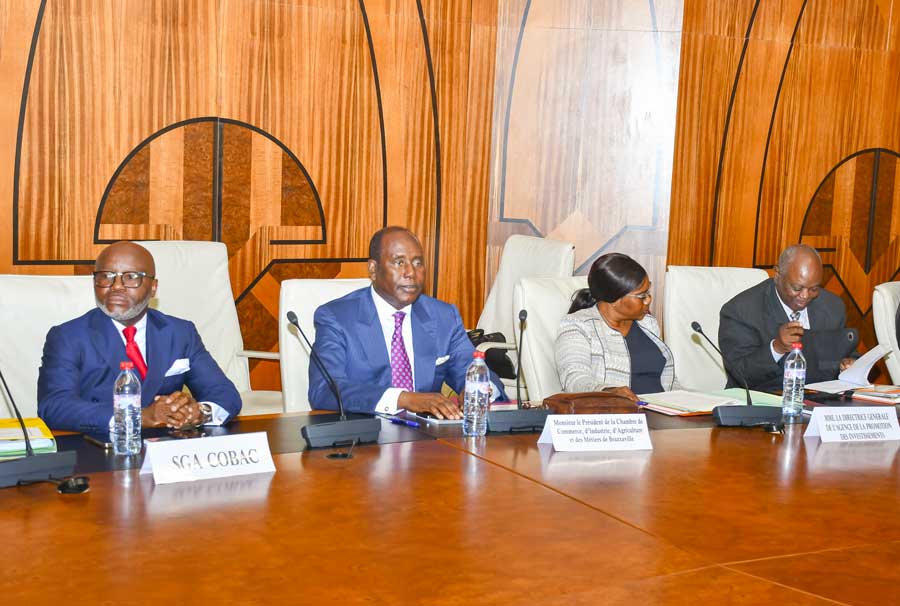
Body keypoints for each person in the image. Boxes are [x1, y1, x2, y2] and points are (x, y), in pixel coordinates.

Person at [37, 241, 242, 431]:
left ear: (153, 287)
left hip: (166, 447)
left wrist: (199, 412)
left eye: (131, 277)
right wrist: (137, 416)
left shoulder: (180, 333)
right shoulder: (68, 336)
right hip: (99, 446)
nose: (116, 286)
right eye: (106, 276)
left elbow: (225, 395)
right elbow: (54, 406)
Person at [309, 226, 506, 418]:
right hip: (365, 431)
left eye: (418, 263)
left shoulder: (444, 317)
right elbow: (324, 389)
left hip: (427, 434)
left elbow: (472, 369)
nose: (411, 272)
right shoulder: (337, 318)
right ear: (373, 269)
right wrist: (403, 399)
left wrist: (479, 390)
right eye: (399, 262)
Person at [718, 244, 854, 392]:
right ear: (777, 275)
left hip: (820, 398)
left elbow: (844, 350)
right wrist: (777, 348)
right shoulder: (741, 310)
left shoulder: (832, 306)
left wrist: (849, 365)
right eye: (797, 288)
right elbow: (739, 374)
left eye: (814, 289)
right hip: (763, 398)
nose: (805, 296)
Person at [555, 253, 678, 400]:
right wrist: (608, 391)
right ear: (614, 299)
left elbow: (669, 380)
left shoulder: (648, 324)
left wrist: (687, 400)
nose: (649, 300)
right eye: (642, 296)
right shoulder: (578, 325)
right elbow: (574, 379)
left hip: (662, 407)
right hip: (616, 411)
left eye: (648, 292)